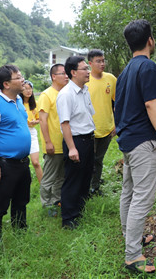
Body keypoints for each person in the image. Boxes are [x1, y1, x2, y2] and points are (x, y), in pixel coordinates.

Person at [115, 19, 156, 274]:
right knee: (141, 198)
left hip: (128, 141)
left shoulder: (125, 71)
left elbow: (117, 108)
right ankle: (132, 257)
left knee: (129, 193)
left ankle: (133, 238)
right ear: (150, 40)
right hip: (143, 142)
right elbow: (151, 104)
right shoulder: (147, 66)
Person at [0, 64, 32, 249]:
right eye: (18, 77)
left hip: (21, 163)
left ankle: (20, 234)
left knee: (21, 201)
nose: (22, 79)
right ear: (7, 84)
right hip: (4, 164)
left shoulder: (18, 100)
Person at [56, 56, 95, 229]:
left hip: (88, 139)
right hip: (76, 141)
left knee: (85, 178)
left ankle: (79, 211)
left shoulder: (84, 90)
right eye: (84, 69)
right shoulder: (66, 94)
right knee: (73, 180)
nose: (88, 72)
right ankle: (68, 219)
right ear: (73, 72)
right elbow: (65, 124)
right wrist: (72, 148)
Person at [37, 64, 68, 217]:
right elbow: (42, 120)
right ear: (54, 76)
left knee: (61, 176)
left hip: (65, 143)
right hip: (53, 143)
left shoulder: (65, 93)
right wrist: (48, 142)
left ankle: (57, 201)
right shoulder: (46, 95)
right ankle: (47, 204)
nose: (66, 76)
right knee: (49, 176)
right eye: (63, 74)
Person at [86, 49, 117, 196]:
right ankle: (86, 188)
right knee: (89, 160)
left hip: (107, 127)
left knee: (99, 159)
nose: (102, 63)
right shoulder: (85, 80)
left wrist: (116, 124)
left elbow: (118, 102)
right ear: (90, 63)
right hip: (88, 129)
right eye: (98, 61)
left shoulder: (111, 79)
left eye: (103, 60)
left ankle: (95, 187)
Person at [20, 80, 43, 182]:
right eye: (25, 88)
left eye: (30, 88)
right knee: (20, 162)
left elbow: (39, 119)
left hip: (32, 132)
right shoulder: (18, 103)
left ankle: (43, 186)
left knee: (36, 162)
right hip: (20, 132)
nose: (28, 91)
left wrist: (35, 122)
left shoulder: (35, 104)